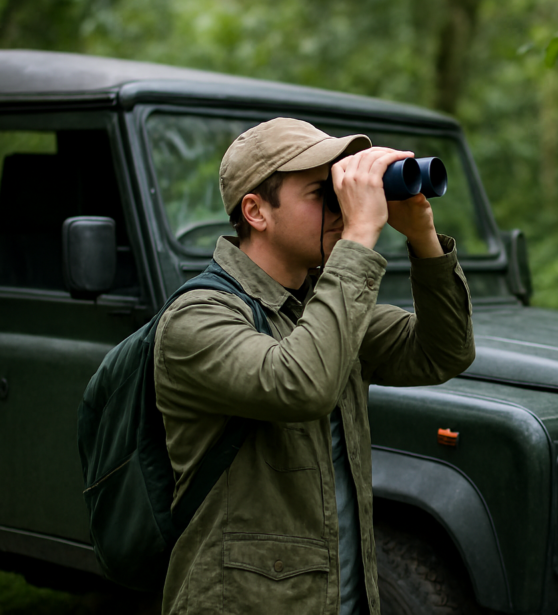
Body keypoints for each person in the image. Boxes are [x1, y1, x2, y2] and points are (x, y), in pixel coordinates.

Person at [153, 117, 475, 615]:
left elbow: (443, 351)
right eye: (321, 193)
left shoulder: (320, 306)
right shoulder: (196, 319)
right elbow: (301, 383)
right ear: (256, 211)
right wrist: (361, 234)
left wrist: (422, 236)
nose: (339, 208)